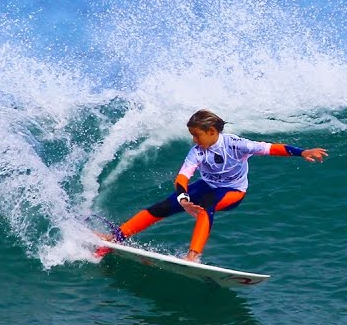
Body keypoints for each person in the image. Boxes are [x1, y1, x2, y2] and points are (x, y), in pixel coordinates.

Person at [104, 109, 328, 262]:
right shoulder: (197, 152)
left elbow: (270, 148)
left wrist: (302, 153)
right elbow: (182, 178)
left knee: (206, 206)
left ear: (212, 132)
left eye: (197, 135)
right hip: (206, 185)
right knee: (161, 207)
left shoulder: (235, 144)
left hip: (233, 192)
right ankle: (115, 238)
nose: (194, 140)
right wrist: (183, 200)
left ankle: (193, 256)